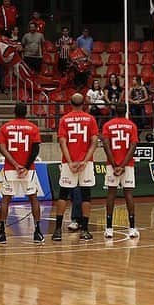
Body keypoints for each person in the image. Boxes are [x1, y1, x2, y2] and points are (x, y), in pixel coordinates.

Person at [0, 102, 44, 245]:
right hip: (28, 170)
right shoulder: (33, 127)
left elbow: (2, 148)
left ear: (14, 112)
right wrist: (26, 167)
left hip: (10, 169)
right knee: (33, 198)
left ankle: (2, 232)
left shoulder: (5, 127)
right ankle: (38, 231)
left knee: (6, 199)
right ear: (26, 113)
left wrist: (15, 165)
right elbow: (35, 150)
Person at [54, 93, 99, 241]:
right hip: (86, 163)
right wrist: (85, 161)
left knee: (63, 195)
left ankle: (57, 231)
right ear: (84, 103)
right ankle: (84, 230)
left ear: (70, 103)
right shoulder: (90, 119)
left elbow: (62, 142)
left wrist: (70, 161)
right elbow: (94, 142)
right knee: (86, 195)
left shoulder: (64, 119)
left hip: (69, 163)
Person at [100, 103, 139, 239]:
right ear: (126, 111)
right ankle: (132, 228)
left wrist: (115, 164)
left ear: (114, 111)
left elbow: (105, 144)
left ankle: (109, 228)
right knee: (128, 194)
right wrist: (122, 165)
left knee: (111, 194)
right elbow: (133, 146)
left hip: (112, 165)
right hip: (127, 165)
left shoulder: (107, 125)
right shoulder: (132, 126)